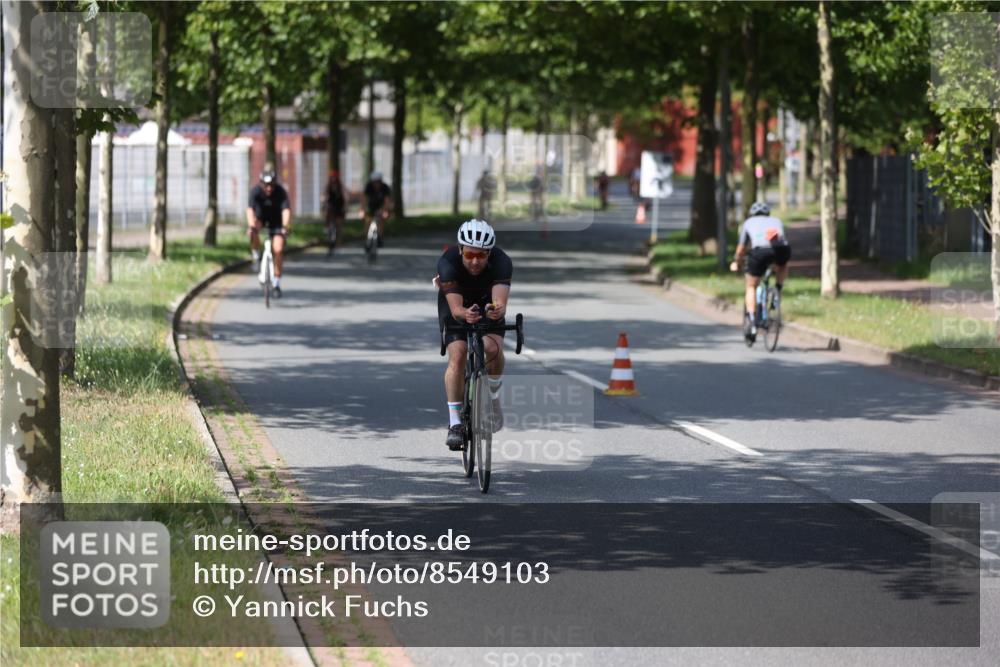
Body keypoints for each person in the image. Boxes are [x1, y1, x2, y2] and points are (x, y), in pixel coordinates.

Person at [434, 219, 512, 450]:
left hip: (486, 302)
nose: (475, 261)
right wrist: (463, 314)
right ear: (460, 251)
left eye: (481, 255)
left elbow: (500, 302)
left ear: (490, 253)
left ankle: (494, 399)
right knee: (457, 355)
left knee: (493, 349)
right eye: (469, 255)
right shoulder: (447, 263)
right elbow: (457, 310)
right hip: (455, 303)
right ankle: (455, 423)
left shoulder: (502, 262)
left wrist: (496, 310)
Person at [729, 201, 791, 341]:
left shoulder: (748, 222)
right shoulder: (777, 221)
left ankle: (751, 320)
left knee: (751, 285)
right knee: (783, 265)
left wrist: (736, 262)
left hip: (759, 252)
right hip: (780, 250)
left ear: (753, 213)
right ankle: (777, 290)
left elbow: (741, 247)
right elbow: (783, 241)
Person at [247, 168, 291, 297]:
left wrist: (285, 227)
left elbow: (286, 210)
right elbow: (250, 210)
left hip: (276, 222)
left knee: (278, 249)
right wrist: (251, 226)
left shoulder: (281, 192)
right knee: (253, 231)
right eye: (266, 185)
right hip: (261, 219)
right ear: (261, 184)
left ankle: (276, 282)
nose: (269, 188)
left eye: (271, 185)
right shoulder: (255, 192)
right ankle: (256, 256)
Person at [362, 171, 393, 247]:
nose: (376, 184)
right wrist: (363, 208)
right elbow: (364, 199)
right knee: (367, 221)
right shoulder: (368, 187)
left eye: (378, 182)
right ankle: (367, 239)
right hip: (371, 206)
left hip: (381, 206)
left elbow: (387, 201)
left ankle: (379, 237)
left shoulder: (385, 188)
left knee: (381, 220)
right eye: (374, 182)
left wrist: (384, 210)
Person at [324, 169, 345, 252]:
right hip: (331, 206)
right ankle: (326, 228)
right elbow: (325, 194)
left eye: (335, 177)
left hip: (339, 206)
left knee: (339, 225)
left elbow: (345, 194)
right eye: (332, 177)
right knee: (328, 214)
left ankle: (338, 243)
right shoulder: (328, 186)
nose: (333, 179)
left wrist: (346, 203)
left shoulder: (340, 186)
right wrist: (323, 199)